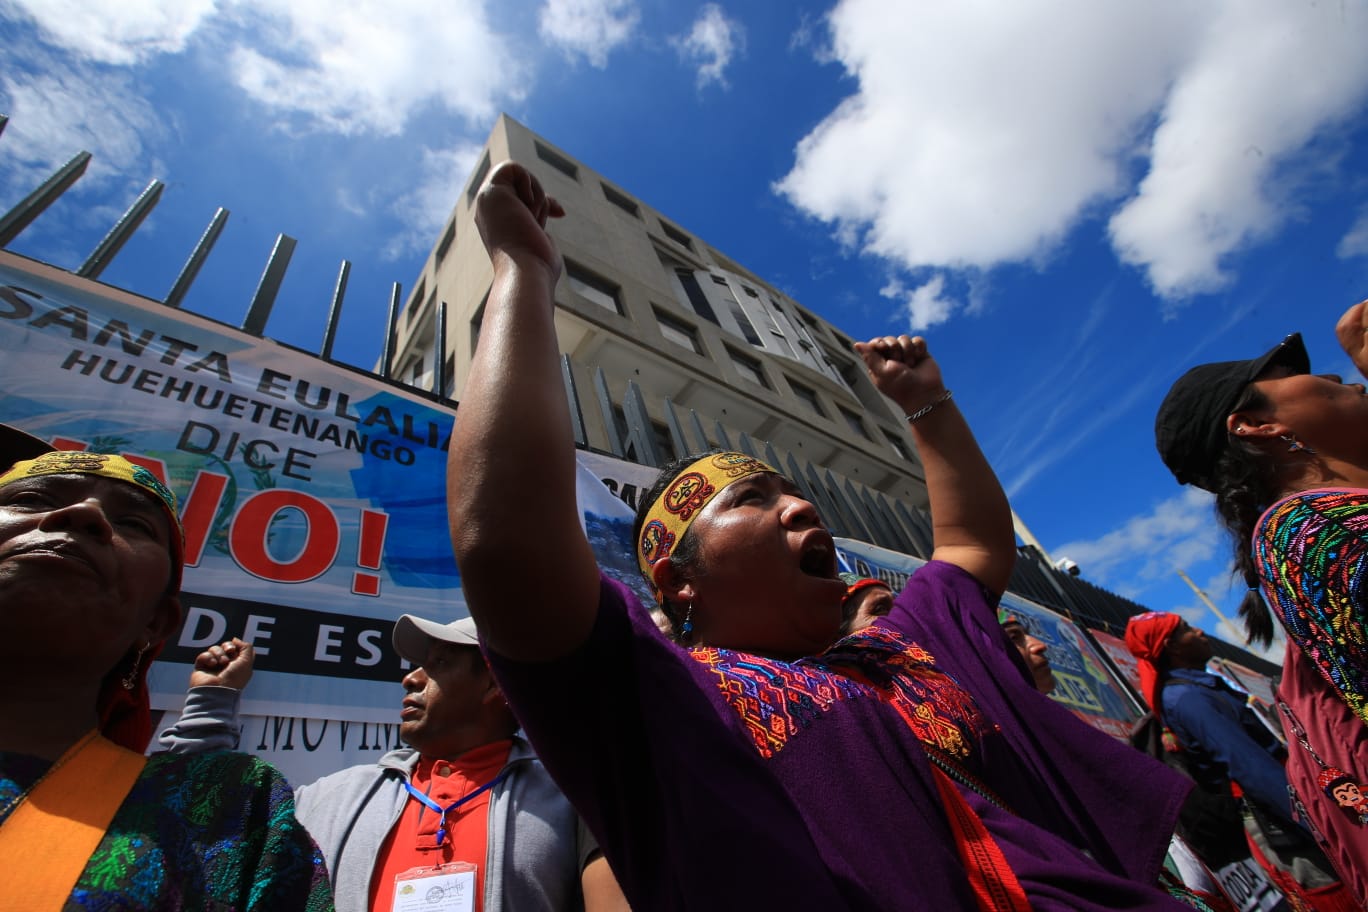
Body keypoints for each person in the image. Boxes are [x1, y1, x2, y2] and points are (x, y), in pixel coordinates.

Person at [446, 160, 1203, 910]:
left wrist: (926, 404)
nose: (802, 510)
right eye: (751, 500)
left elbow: (970, 547)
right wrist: (524, 268)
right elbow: (508, 544)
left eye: (796, 494)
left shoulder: (900, 650)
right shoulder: (660, 702)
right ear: (679, 581)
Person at [0, 424, 333, 910]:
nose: (83, 514)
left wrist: (213, 703)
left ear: (156, 623)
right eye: (30, 498)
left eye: (135, 524)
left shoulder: (229, 811)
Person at [162, 616, 625, 912]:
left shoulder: (570, 801)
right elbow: (202, 820)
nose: (410, 677)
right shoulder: (336, 797)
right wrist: (210, 703)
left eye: (439, 662)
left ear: (494, 686)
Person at [1155, 316, 1368, 906]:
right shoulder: (1312, 530)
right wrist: (1305, 822)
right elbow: (1248, 762)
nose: (1338, 377)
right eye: (1289, 376)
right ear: (1255, 425)